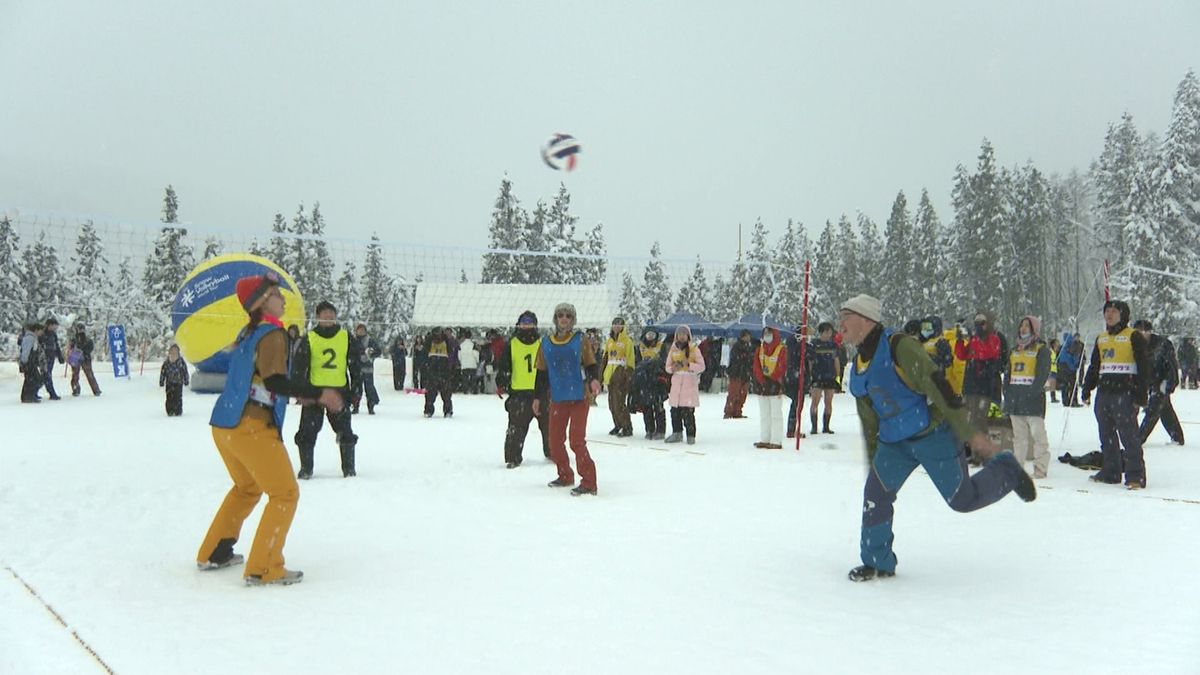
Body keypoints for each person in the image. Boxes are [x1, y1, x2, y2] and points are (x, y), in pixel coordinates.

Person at [838, 294, 1035, 582]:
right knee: (875, 496)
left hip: (932, 435)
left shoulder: (899, 347)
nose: (840, 322)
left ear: (866, 320)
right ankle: (878, 562)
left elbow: (939, 386)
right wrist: (873, 464)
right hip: (894, 444)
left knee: (962, 500)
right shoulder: (857, 369)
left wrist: (970, 435)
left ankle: (1006, 469)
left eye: (846, 315)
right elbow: (869, 421)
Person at [197, 273, 343, 586]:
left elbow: (260, 381)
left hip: (224, 425)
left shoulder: (247, 333)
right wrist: (320, 394)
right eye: (277, 293)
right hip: (250, 426)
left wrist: (300, 392)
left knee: (247, 488)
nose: (284, 298)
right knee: (285, 493)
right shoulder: (272, 335)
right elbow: (275, 381)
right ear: (263, 303)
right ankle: (264, 567)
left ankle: (215, 551)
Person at [1080, 300, 1152, 489]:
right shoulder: (1101, 338)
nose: (1109, 315)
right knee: (1106, 435)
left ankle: (1135, 475)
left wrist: (1141, 396)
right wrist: (1087, 388)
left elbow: (1144, 368)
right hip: (1104, 392)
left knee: (1129, 437)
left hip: (1125, 393)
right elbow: (1095, 366)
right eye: (1107, 311)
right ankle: (1111, 471)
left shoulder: (1133, 336)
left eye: (1114, 311)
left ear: (1123, 315)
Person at [533, 302, 601, 496]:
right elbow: (541, 373)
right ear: (556, 319)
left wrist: (594, 380)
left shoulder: (580, 340)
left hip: (579, 397)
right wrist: (537, 397)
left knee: (576, 441)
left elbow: (590, 364)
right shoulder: (545, 343)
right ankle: (565, 475)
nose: (564, 319)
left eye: (568, 316)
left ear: (573, 320)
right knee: (554, 442)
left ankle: (589, 482)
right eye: (561, 315)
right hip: (558, 398)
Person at [292, 301, 361, 479]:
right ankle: (306, 468)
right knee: (307, 432)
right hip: (314, 393)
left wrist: (356, 388)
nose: (328, 317)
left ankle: (349, 469)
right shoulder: (310, 338)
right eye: (324, 314)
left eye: (331, 313)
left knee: (345, 432)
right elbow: (299, 367)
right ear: (317, 317)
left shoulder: (346, 337)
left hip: (339, 393)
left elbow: (355, 366)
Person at [495, 311, 550, 468]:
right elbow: (505, 366)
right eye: (524, 321)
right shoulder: (512, 344)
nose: (526, 324)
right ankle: (513, 458)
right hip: (519, 394)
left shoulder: (543, 343)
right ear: (519, 324)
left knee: (549, 428)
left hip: (541, 393)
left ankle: (553, 453)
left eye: (529, 321)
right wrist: (501, 383)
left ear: (535, 324)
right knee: (516, 429)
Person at [1005, 316, 1052, 479]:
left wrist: (1031, 393)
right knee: (1019, 438)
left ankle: (1040, 467)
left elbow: (1042, 375)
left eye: (1027, 326)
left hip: (1032, 401)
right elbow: (1008, 374)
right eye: (1021, 326)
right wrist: (1008, 393)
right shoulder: (1014, 350)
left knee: (1038, 435)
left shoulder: (1041, 349)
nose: (1023, 329)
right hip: (1015, 401)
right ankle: (1017, 466)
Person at [1135, 319, 1184, 446]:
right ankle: (1177, 436)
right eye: (1138, 331)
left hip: (1162, 380)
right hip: (1147, 382)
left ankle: (1139, 438)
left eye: (1144, 331)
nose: (1142, 334)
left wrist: (1169, 384)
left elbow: (1171, 366)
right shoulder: (1134, 345)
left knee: (1154, 409)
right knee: (1165, 410)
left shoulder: (1162, 344)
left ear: (1150, 332)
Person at [664, 324, 705, 444]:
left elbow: (702, 366)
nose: (682, 337)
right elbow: (667, 367)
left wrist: (689, 366)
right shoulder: (673, 350)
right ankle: (677, 433)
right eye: (679, 335)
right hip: (676, 385)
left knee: (688, 413)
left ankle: (690, 435)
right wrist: (673, 369)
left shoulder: (694, 349)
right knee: (675, 411)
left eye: (684, 334)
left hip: (689, 385)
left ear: (688, 336)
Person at [752, 326, 787, 449]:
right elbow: (756, 366)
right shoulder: (760, 349)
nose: (767, 336)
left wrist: (772, 377)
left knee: (776, 414)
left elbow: (782, 366)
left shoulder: (781, 349)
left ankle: (776, 440)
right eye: (765, 334)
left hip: (775, 384)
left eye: (769, 333)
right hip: (762, 385)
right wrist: (761, 379)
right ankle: (765, 438)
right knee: (764, 414)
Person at [601, 316, 635, 437]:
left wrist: (628, 376)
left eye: (619, 324)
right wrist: (601, 375)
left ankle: (627, 427)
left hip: (621, 374)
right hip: (610, 376)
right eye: (614, 324)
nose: (616, 326)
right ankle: (618, 425)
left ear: (623, 326)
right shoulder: (609, 341)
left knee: (619, 403)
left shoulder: (627, 341)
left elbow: (630, 360)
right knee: (612, 404)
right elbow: (605, 358)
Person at [632, 329, 668, 440]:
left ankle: (661, 430)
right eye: (649, 335)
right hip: (644, 381)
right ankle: (649, 429)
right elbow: (636, 362)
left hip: (657, 380)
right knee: (646, 407)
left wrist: (654, 364)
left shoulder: (660, 346)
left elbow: (663, 361)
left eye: (653, 335)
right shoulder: (639, 347)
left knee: (658, 406)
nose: (650, 337)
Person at [807, 322, 841, 435]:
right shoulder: (814, 344)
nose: (828, 334)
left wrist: (838, 376)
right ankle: (814, 426)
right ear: (821, 332)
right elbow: (810, 362)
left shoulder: (833, 345)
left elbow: (836, 360)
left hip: (830, 376)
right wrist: (810, 376)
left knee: (828, 401)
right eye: (826, 332)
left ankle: (826, 426)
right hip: (817, 376)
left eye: (830, 332)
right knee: (815, 401)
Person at [423, 327, 455, 417]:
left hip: (441, 370)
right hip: (434, 369)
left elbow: (451, 354)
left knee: (445, 393)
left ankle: (446, 410)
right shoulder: (430, 341)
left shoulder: (446, 341)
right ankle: (429, 410)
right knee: (432, 393)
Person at [723, 329, 754, 419]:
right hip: (736, 374)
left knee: (742, 394)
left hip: (745, 374)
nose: (748, 338)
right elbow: (736, 360)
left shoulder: (749, 346)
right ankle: (729, 412)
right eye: (746, 336)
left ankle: (737, 411)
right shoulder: (737, 346)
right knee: (734, 394)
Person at [352, 323, 381, 414]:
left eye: (362, 330)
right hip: (356, 369)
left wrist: (370, 355)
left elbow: (378, 351)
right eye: (359, 330)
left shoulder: (370, 341)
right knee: (356, 389)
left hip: (368, 369)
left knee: (369, 389)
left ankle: (371, 407)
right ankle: (355, 407)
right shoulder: (353, 341)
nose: (361, 332)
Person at [67, 322, 101, 397]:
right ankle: (75, 389)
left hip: (86, 358)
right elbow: (71, 348)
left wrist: (83, 351)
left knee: (89, 374)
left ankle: (96, 390)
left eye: (82, 329)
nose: (81, 331)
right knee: (75, 375)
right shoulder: (74, 339)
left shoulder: (87, 339)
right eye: (79, 329)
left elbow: (90, 348)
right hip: (76, 359)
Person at [160, 344, 190, 416]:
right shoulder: (166, 363)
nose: (173, 355)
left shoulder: (181, 363)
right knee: (169, 397)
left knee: (177, 397)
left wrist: (186, 380)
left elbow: (185, 372)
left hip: (178, 383)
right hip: (169, 383)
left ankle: (178, 411)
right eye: (172, 353)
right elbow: (163, 372)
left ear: (178, 354)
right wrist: (161, 381)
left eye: (175, 353)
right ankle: (170, 410)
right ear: (169, 354)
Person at [1056, 332, 1086, 407]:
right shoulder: (1072, 346)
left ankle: (1065, 401)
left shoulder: (1062, 347)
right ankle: (1073, 401)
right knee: (1073, 385)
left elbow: (1058, 358)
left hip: (1062, 370)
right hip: (1070, 369)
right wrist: (1076, 364)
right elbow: (1075, 357)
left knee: (1065, 386)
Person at [39, 317, 64, 400]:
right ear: (49, 325)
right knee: (46, 375)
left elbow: (56, 346)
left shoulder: (53, 334)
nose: (55, 328)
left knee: (45, 376)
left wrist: (60, 356)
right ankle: (52, 393)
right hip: (44, 358)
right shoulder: (42, 334)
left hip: (51, 357)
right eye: (54, 326)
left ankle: (34, 391)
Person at [19, 322, 45, 403]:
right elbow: (25, 351)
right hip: (28, 362)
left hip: (32, 361)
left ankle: (28, 395)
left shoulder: (33, 337)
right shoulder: (29, 338)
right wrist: (24, 362)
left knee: (31, 379)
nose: (42, 333)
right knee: (33, 379)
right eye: (41, 331)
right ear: (36, 330)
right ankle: (28, 396)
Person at [457, 329, 479, 394]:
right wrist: (477, 361)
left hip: (464, 364)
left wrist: (461, 361)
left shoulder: (461, 345)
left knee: (465, 378)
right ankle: (474, 389)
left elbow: (459, 355)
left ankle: (465, 390)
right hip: (472, 364)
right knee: (473, 378)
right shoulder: (473, 345)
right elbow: (476, 354)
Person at [1047, 337, 1061, 403]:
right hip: (1051, 369)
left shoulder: (1056, 351)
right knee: (1052, 383)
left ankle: (1053, 396)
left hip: (1055, 369)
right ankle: (1053, 397)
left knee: (1053, 383)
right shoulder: (1050, 351)